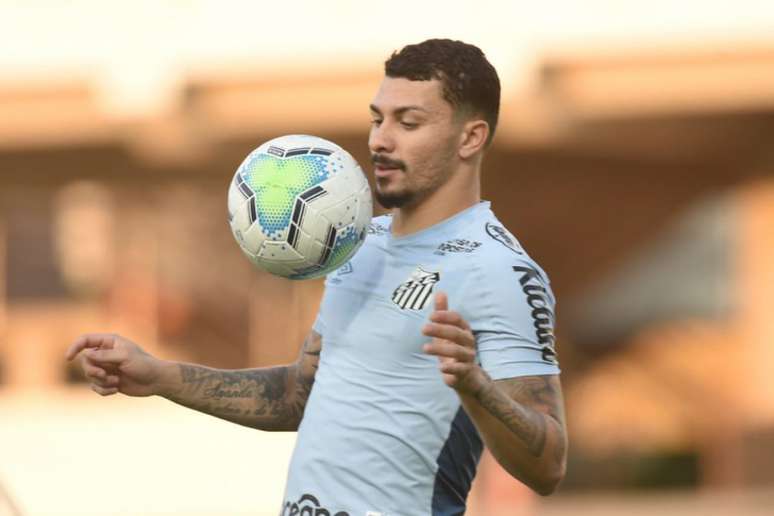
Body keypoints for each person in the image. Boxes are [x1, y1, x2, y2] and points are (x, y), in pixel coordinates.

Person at [66, 39, 567, 515]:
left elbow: (548, 465)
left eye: (408, 122)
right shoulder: (357, 243)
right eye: (377, 119)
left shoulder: (498, 270)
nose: (380, 140)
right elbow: (297, 397)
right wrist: (158, 375)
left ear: (471, 137)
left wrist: (475, 386)